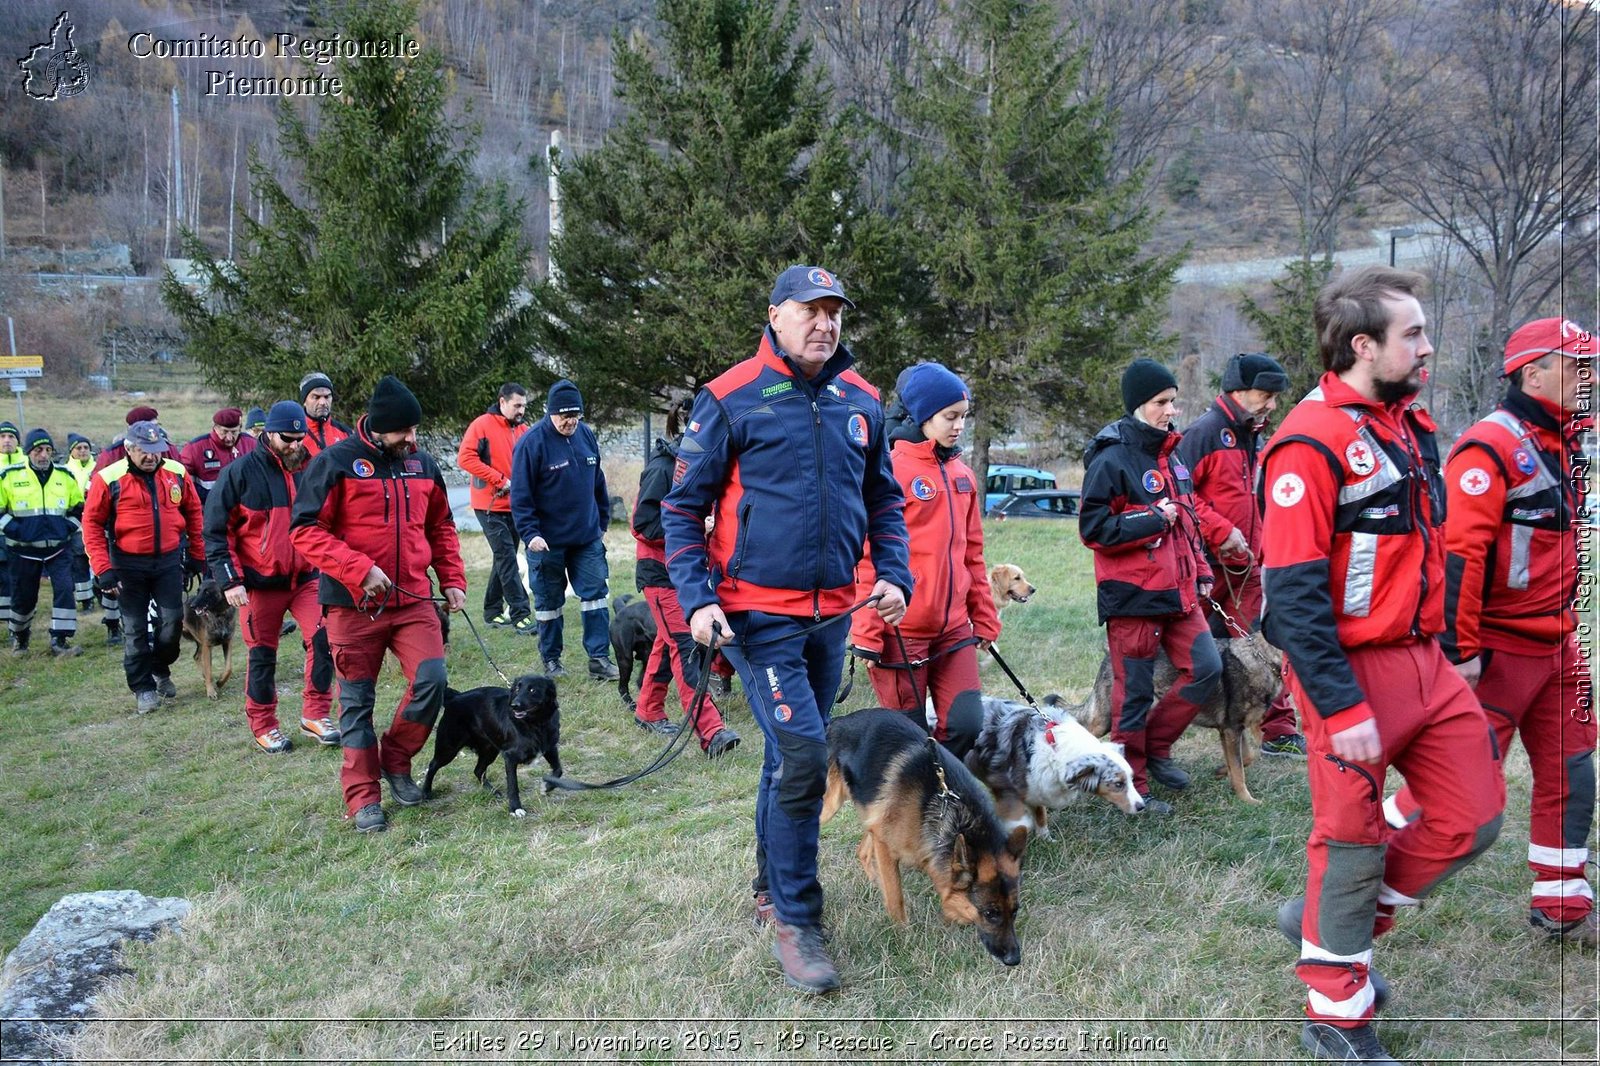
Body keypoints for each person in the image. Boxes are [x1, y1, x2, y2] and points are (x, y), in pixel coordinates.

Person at [1260, 265, 1505, 1063]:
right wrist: (1341, 705)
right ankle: (1335, 1008)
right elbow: (1293, 599)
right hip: (1351, 672)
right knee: (1352, 840)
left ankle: (1331, 919)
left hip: (1424, 661)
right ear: (1363, 346)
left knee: (1474, 815)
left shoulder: (1405, 422)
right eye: (1414, 335)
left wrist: (1453, 651)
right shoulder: (1308, 441)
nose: (1429, 347)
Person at [662, 264, 912, 995]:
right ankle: (798, 921)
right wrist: (697, 596)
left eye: (835, 312)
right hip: (754, 616)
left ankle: (770, 886)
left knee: (786, 756)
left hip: (832, 614)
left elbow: (885, 500)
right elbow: (681, 510)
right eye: (811, 310)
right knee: (805, 755)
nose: (825, 324)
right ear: (775, 314)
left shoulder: (861, 400)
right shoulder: (731, 396)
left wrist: (893, 574)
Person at [1380, 317, 1597, 947]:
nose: (1590, 377)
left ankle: (1563, 905)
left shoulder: (1564, 440)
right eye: (1578, 366)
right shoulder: (1489, 446)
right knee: (1461, 786)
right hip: (1499, 651)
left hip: (1558, 648)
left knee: (1573, 771)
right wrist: (1461, 650)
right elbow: (1461, 557)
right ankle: (1357, 877)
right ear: (1534, 373)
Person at [290, 375, 466, 833]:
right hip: (352, 605)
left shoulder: (423, 464)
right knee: (356, 703)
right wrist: (357, 568)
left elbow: (442, 526)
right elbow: (305, 530)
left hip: (412, 599)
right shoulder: (335, 463)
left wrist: (452, 579)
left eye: (415, 430)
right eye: (404, 432)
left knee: (432, 680)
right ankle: (363, 796)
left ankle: (397, 758)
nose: (412, 439)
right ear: (379, 427)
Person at [1079, 358, 1221, 812]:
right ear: (1138, 405)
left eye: (1173, 401)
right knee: (1133, 694)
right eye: (1162, 402)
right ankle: (1132, 784)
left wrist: (1200, 569)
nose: (1171, 410)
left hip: (1180, 590)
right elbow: (1093, 529)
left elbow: (1188, 521)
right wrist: (1151, 518)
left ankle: (1157, 748)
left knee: (1207, 668)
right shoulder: (1111, 455)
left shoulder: (1172, 453)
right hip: (1133, 595)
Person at [848, 362, 999, 759]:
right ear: (921, 415)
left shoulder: (963, 474)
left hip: (953, 631)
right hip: (900, 631)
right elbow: (864, 553)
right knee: (909, 742)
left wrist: (983, 616)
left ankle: (941, 796)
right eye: (950, 416)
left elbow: (973, 555)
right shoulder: (889, 469)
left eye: (964, 417)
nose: (959, 426)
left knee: (968, 724)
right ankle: (918, 811)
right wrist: (865, 630)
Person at [1175, 352, 1304, 757]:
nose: (1272, 404)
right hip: (1206, 567)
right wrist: (1221, 531)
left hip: (1248, 569)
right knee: (1188, 654)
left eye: (1275, 397)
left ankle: (1278, 730)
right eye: (1265, 395)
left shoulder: (1255, 435)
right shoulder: (1203, 433)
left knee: (1265, 648)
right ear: (1237, 391)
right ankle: (1161, 735)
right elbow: (1181, 495)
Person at [205, 401, 338, 755]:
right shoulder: (239, 473)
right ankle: (264, 725)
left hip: (307, 578)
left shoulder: (311, 466)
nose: (295, 445)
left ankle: (316, 713)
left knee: (325, 640)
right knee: (263, 656)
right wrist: (230, 580)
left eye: (300, 438)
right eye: (288, 439)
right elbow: (216, 532)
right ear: (267, 433)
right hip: (258, 585)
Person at [629, 396, 740, 754]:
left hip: (688, 573)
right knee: (688, 648)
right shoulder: (662, 467)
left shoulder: (705, 462)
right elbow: (643, 525)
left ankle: (647, 710)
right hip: (661, 574)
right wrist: (698, 524)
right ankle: (712, 733)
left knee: (667, 644)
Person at [84, 420, 206, 713]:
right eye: (145, 451)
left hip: (167, 561)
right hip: (126, 565)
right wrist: (103, 569)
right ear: (129, 448)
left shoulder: (176, 473)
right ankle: (143, 688)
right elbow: (91, 525)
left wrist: (197, 555)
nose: (152, 457)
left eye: (157, 450)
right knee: (136, 629)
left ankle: (160, 668)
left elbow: (194, 514)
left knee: (172, 622)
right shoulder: (108, 478)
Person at [509, 379, 620, 681]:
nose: (570, 421)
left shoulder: (585, 435)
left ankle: (599, 659)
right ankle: (552, 661)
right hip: (547, 543)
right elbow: (520, 496)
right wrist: (531, 534)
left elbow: (598, 482)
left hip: (586, 538)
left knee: (596, 596)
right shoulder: (531, 444)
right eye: (564, 416)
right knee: (548, 604)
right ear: (550, 413)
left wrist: (602, 522)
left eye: (575, 415)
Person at [0, 429, 85, 657]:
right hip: (22, 550)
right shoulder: (9, 476)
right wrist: (16, 531)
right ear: (29, 452)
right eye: (39, 450)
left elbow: (78, 507)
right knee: (24, 597)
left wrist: (67, 527)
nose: (44, 455)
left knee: (65, 590)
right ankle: (20, 636)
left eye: (48, 450)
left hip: (59, 548)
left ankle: (60, 640)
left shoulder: (65, 476)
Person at [457, 383, 534, 633]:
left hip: (515, 506)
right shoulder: (482, 425)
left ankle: (492, 610)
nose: (521, 410)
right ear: (502, 402)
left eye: (524, 405)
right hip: (488, 506)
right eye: (517, 405)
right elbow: (465, 458)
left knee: (504, 557)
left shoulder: (524, 430)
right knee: (507, 557)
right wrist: (500, 480)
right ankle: (521, 613)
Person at [179, 406, 254, 502]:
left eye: (234, 432)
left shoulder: (252, 444)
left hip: (246, 510)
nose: (229, 438)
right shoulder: (195, 448)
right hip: (208, 509)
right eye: (225, 432)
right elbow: (182, 481)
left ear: (240, 428)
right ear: (215, 428)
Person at [93, 406, 173, 472]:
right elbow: (94, 485)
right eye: (150, 427)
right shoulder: (112, 454)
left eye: (156, 426)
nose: (155, 430)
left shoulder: (169, 449)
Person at [297, 371, 351, 458]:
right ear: (304, 401)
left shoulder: (346, 433)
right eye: (316, 397)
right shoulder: (293, 434)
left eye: (327, 397)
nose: (322, 402)